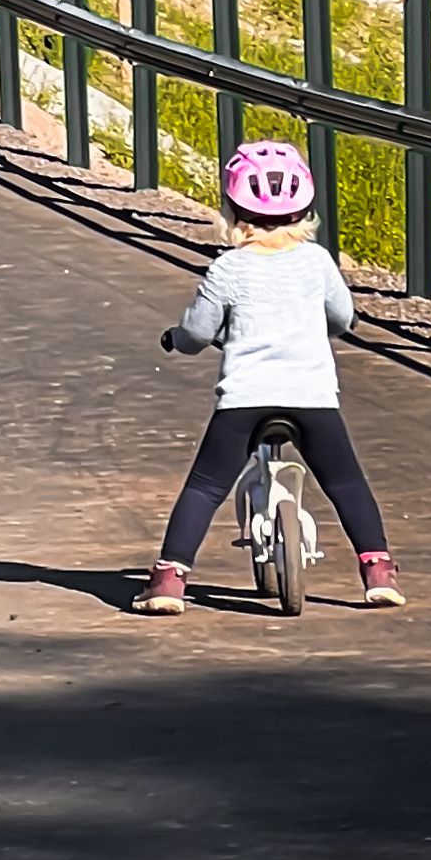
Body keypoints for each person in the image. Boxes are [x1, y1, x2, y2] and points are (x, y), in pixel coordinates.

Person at [134, 138, 405, 611]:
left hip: (246, 398)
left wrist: (178, 339)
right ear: (304, 213)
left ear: (232, 212)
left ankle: (170, 579)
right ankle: (378, 571)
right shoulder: (318, 263)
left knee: (205, 486)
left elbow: (199, 332)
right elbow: (343, 319)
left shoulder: (228, 269)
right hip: (313, 398)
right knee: (345, 483)